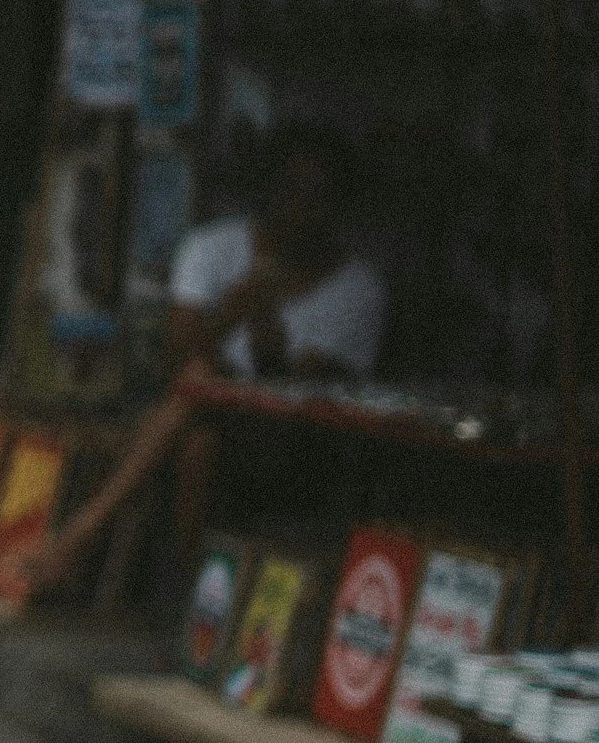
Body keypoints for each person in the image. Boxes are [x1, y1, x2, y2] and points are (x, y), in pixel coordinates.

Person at [20, 123, 385, 595]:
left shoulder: (357, 290)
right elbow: (175, 353)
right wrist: (235, 308)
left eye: (319, 198)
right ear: (270, 191)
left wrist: (264, 327)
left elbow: (306, 400)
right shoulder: (215, 247)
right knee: (198, 432)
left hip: (285, 442)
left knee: (202, 389)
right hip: (196, 420)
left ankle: (78, 537)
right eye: (292, 192)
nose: (303, 211)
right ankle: (194, 599)